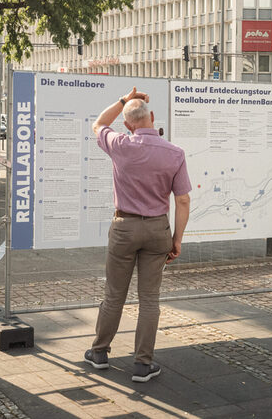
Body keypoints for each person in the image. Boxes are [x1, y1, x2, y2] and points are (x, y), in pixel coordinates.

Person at [84, 87, 191, 383]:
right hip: (158, 229)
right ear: (152, 117)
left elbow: (98, 123)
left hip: (124, 227)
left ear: (128, 124)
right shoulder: (175, 153)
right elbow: (183, 200)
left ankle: (100, 353)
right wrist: (177, 239)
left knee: (114, 294)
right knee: (149, 299)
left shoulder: (120, 143)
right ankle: (143, 364)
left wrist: (123, 99)